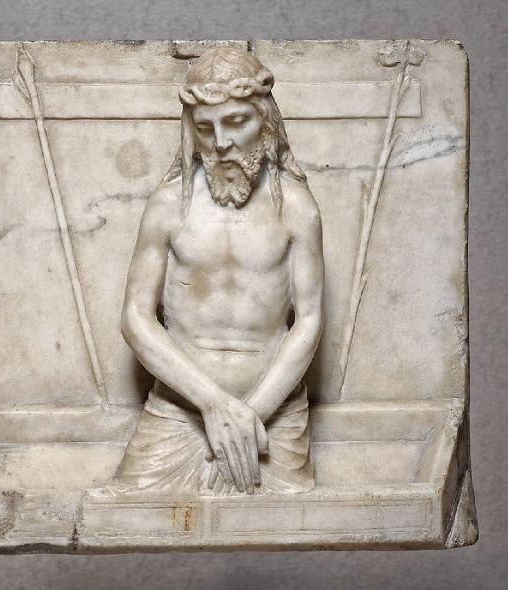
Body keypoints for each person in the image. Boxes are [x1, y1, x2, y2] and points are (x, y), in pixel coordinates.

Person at [114, 46, 324, 495]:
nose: (221, 143)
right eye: (205, 128)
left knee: (289, 522)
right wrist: (213, 405)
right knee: (130, 512)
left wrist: (250, 417)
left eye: (236, 122)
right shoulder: (169, 206)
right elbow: (135, 318)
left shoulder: (296, 208)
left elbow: (308, 321)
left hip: (273, 418)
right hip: (179, 413)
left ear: (265, 122)